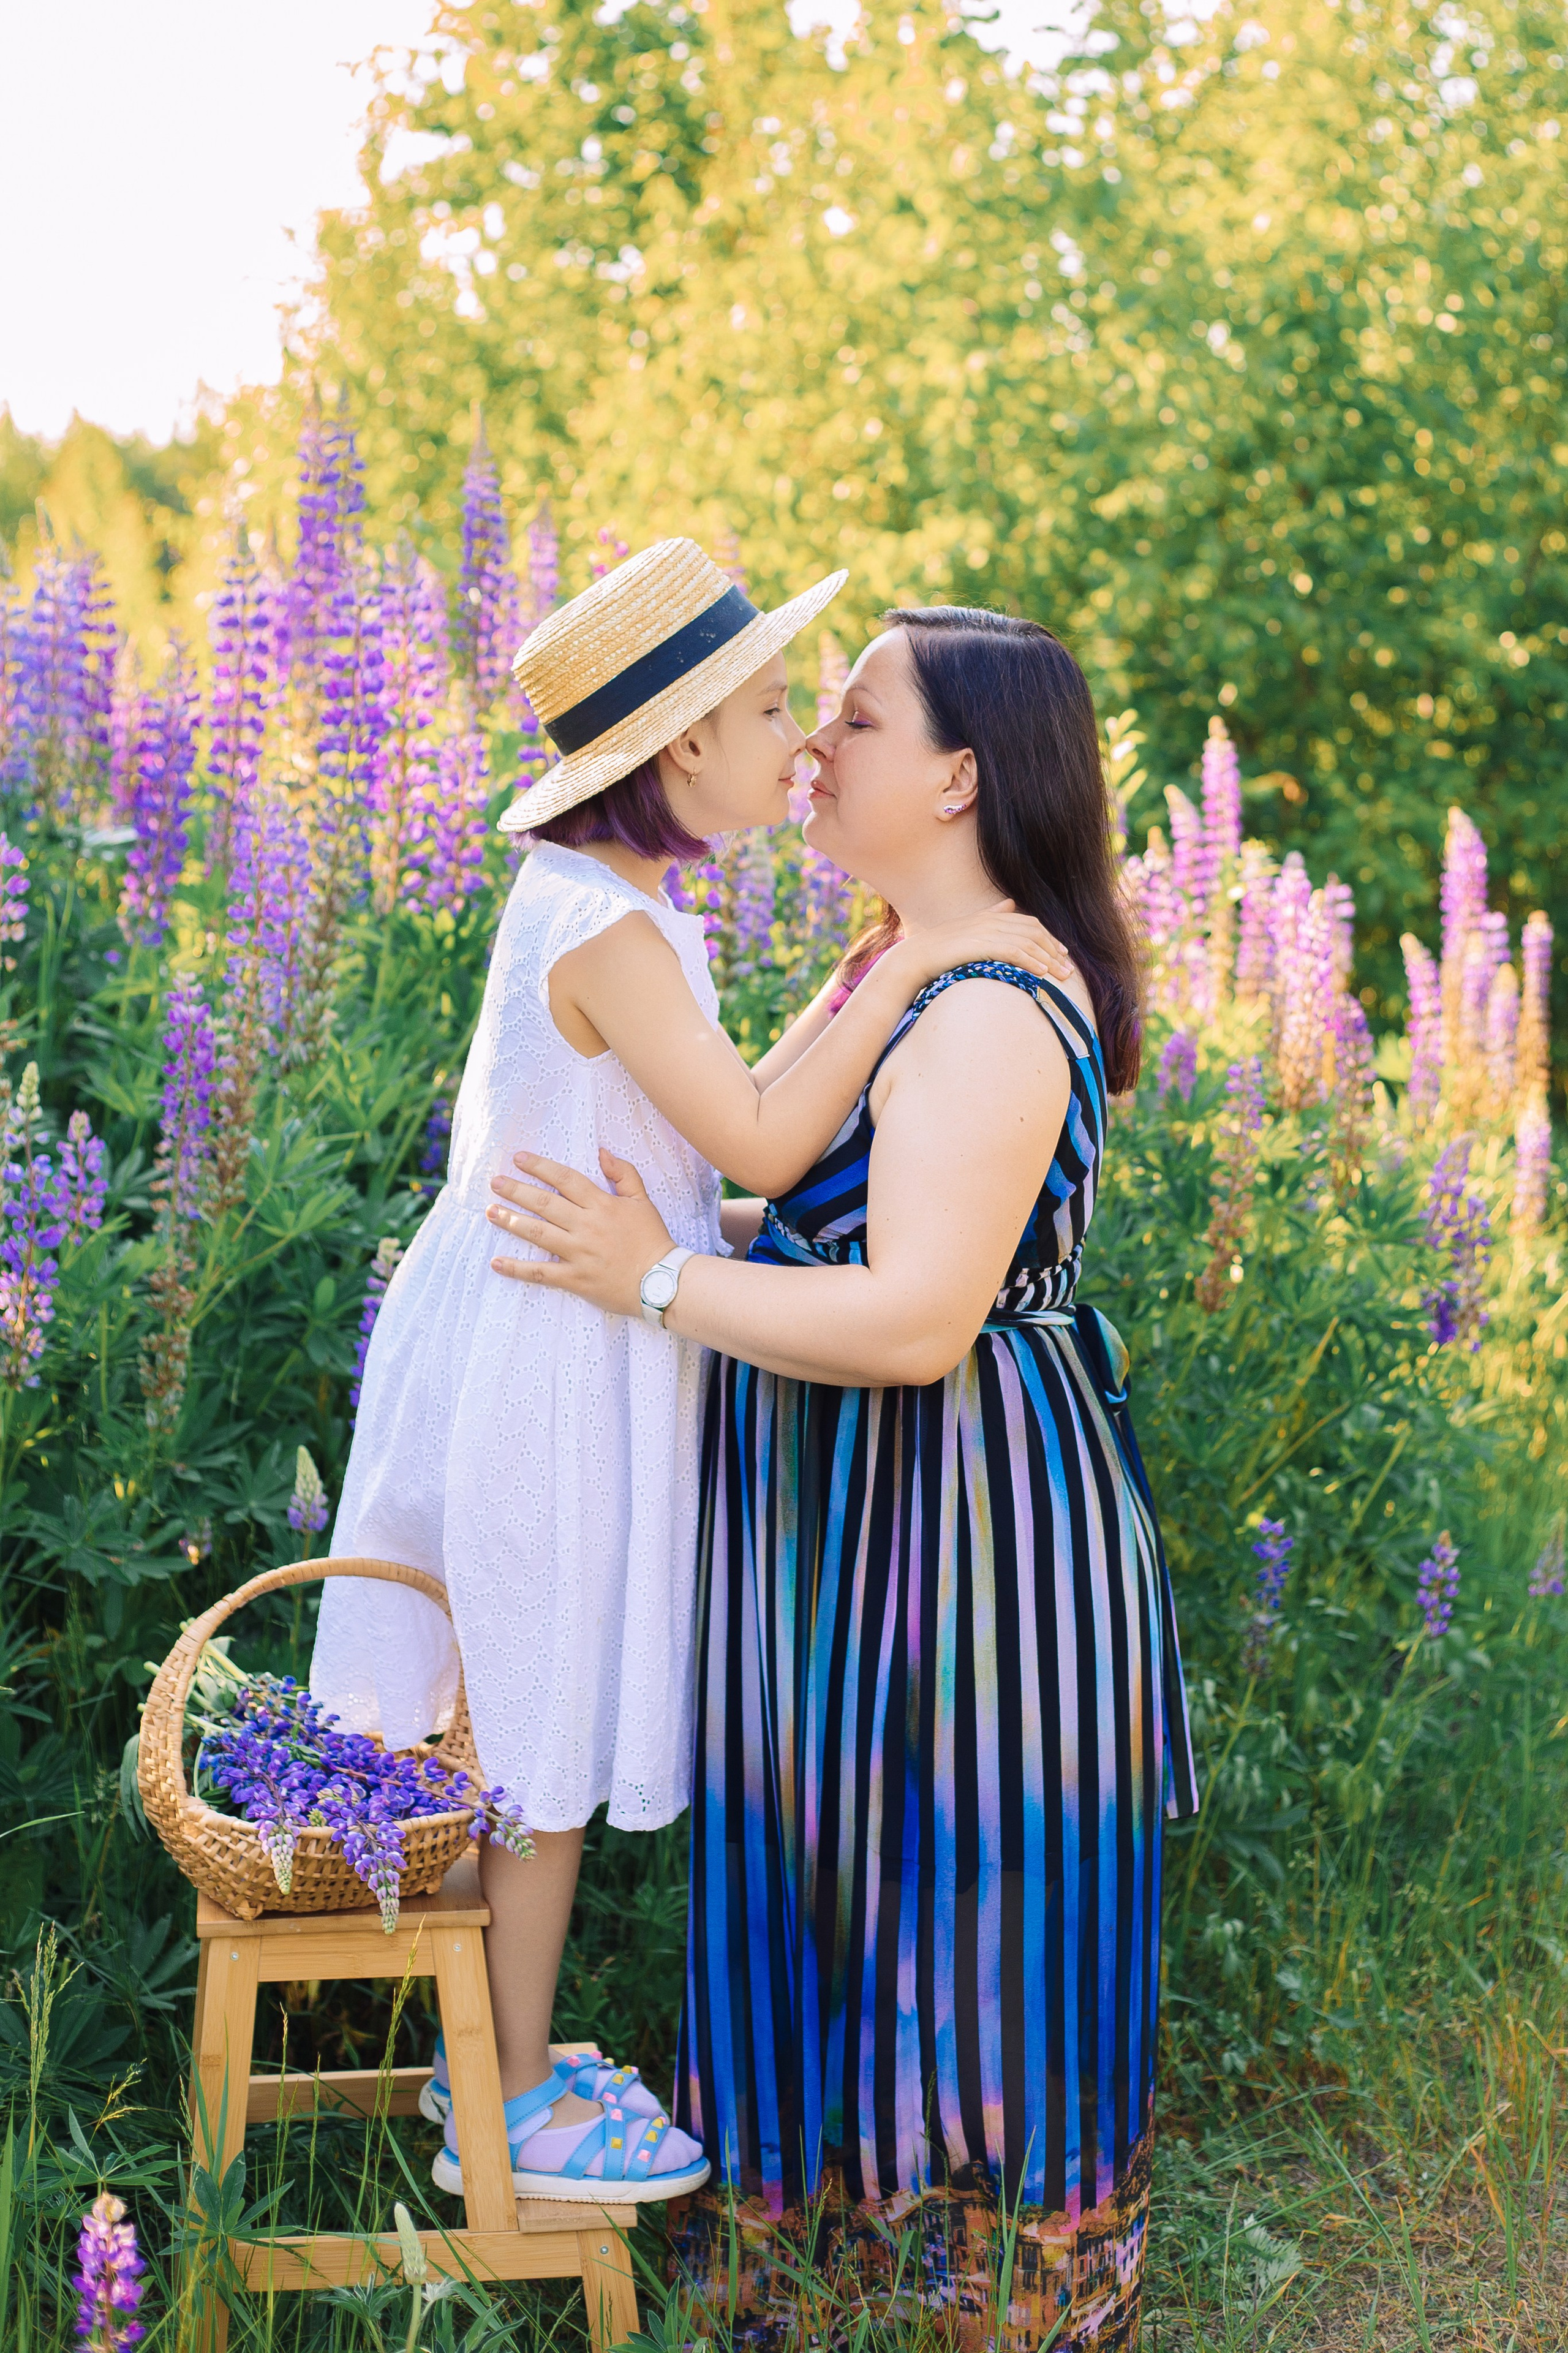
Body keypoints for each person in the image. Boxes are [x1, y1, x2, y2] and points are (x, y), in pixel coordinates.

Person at [309, 544, 1069, 2206]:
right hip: (552, 1352)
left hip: (563, 1322)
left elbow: (716, 1123)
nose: (803, 744)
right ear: (677, 755)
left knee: (536, 1714)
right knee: (537, 1720)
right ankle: (498, 2096)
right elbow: (775, 1137)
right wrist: (912, 971)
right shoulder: (611, 929)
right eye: (777, 712)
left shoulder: (623, 911)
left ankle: (501, 2052)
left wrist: (878, 973)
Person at [485, 606, 1199, 2342]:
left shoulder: (991, 1005)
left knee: (964, 1866)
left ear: (960, 775)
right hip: (870, 1498)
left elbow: (915, 1317)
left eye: (857, 721)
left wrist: (652, 1277)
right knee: (844, 1851)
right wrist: (675, 1228)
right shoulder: (907, 965)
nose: (812, 750)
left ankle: (992, 2259)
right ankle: (842, 2234)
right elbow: (832, 1217)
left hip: (966, 1515)